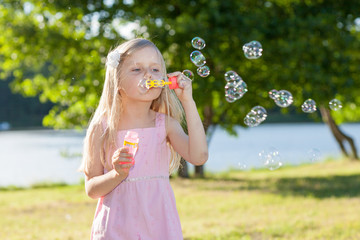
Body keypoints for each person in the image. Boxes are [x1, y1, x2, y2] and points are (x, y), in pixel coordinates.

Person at [79, 38, 208, 240]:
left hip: (159, 227)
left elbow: (199, 156)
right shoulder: (102, 128)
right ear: (117, 80)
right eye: (137, 69)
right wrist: (117, 174)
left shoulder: (165, 124)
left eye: (156, 69)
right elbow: (92, 190)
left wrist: (188, 101)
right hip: (116, 229)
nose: (149, 75)